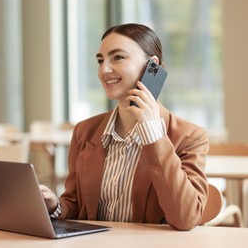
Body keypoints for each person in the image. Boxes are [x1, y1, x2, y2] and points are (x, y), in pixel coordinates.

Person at [39, 23, 209, 231]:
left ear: (152, 66)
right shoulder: (85, 131)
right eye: (100, 60)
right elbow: (75, 206)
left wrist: (153, 133)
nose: (104, 69)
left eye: (117, 57)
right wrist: (54, 205)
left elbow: (185, 218)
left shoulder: (189, 137)